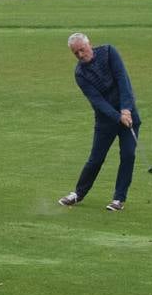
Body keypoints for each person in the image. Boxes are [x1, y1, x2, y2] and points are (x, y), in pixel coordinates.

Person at [58, 32, 140, 212]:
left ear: (89, 45)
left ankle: (118, 199)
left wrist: (126, 109)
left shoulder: (109, 52)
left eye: (82, 49)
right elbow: (98, 101)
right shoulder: (80, 73)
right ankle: (78, 194)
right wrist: (118, 116)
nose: (80, 55)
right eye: (76, 53)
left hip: (129, 114)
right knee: (96, 159)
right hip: (105, 121)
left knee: (128, 155)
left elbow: (123, 80)